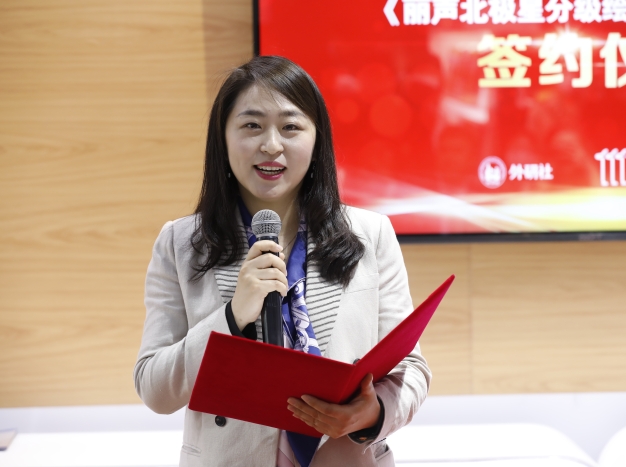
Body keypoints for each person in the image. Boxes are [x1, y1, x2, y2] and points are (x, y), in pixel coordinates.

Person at [134, 56, 430, 467]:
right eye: (252, 125)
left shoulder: (371, 233)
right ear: (223, 139)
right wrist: (232, 316)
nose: (271, 145)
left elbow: (411, 367)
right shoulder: (181, 243)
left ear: (317, 139)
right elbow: (154, 388)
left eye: (290, 127)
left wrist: (372, 413)